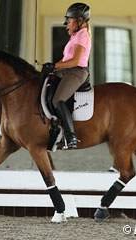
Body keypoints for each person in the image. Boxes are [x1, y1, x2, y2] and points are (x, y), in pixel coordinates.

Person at [42, 3, 91, 149]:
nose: (66, 25)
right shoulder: (76, 36)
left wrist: (55, 66)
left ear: (80, 20)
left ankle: (71, 137)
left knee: (58, 99)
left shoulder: (82, 35)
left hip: (76, 72)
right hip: (67, 71)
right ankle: (54, 128)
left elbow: (75, 61)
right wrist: (51, 68)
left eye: (69, 21)